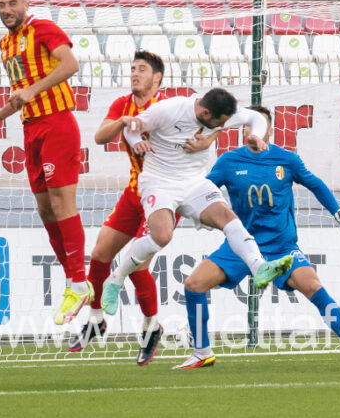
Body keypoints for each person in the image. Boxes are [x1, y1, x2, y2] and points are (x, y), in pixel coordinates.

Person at [174, 105, 340, 370]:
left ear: (270, 130)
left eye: (259, 125)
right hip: (241, 245)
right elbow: (202, 192)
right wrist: (184, 214)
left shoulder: (287, 160)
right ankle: (202, 351)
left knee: (315, 288)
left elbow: (315, 184)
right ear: (242, 130)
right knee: (194, 284)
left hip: (282, 247)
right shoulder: (228, 161)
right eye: (248, 125)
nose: (252, 130)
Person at [72, 50, 216, 365]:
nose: (135, 73)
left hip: (165, 195)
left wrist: (204, 142)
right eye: (132, 68)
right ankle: (96, 319)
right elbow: (99, 137)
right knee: (99, 253)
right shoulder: (122, 104)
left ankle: (152, 326)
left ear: (157, 77)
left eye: (142, 69)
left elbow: (211, 127)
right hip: (135, 190)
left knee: (138, 266)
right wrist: (124, 122)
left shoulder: (172, 107)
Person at [99, 89, 295, 315]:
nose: (220, 127)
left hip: (193, 182)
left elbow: (256, 118)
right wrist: (136, 143)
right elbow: (131, 128)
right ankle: (115, 279)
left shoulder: (221, 112)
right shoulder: (168, 110)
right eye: (218, 123)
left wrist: (258, 135)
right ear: (204, 111)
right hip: (159, 182)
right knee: (162, 236)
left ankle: (259, 267)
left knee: (227, 217)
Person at [0, 0, 91, 326]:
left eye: (12, 3)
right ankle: (75, 281)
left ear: (25, 3)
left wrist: (33, 91)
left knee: (61, 203)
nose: (7, 11)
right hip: (31, 128)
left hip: (57, 123)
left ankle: (79, 282)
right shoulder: (6, 43)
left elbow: (70, 65)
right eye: (1, 6)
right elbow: (21, 93)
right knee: (44, 208)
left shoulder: (42, 28)